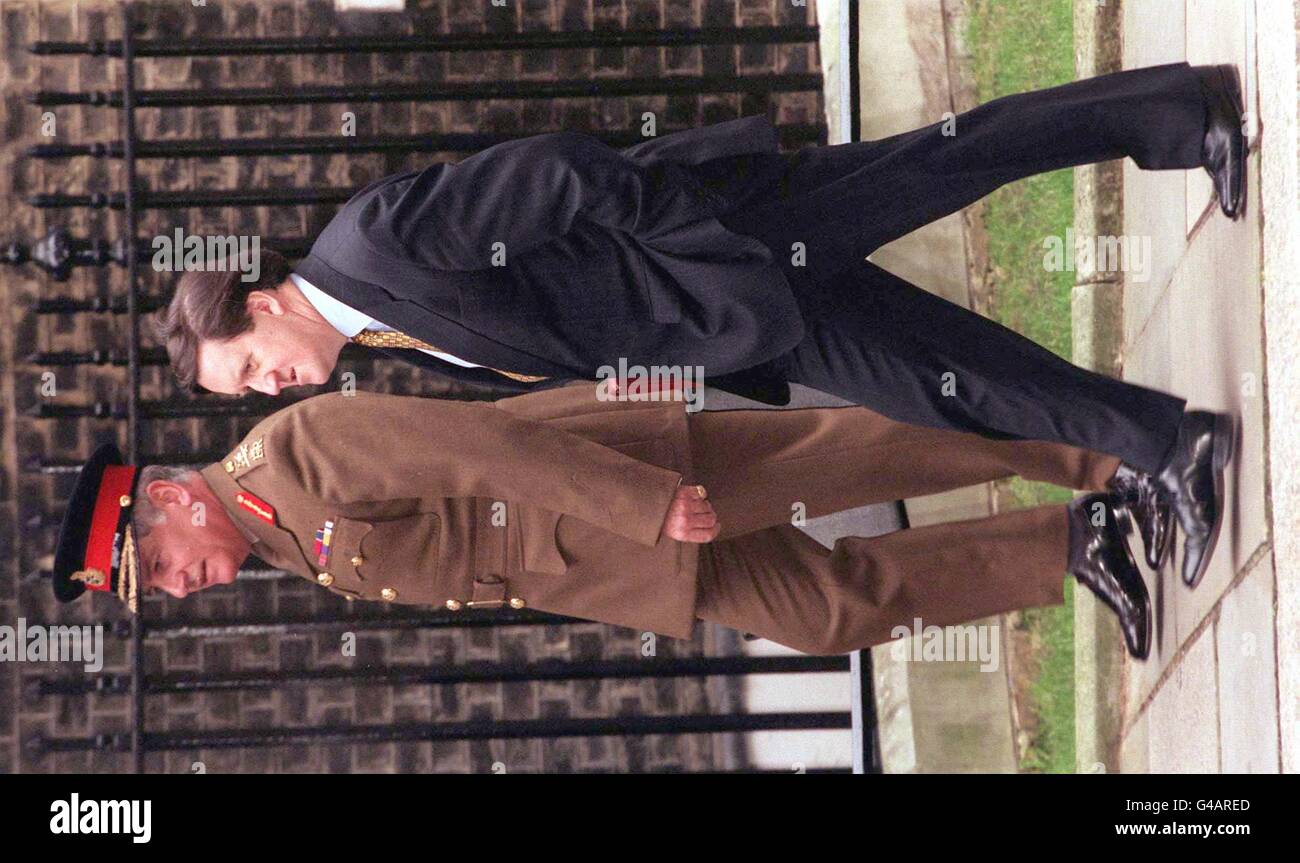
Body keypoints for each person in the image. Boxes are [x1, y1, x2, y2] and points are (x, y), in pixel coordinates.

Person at [155, 62, 1243, 589]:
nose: (266, 387)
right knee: (937, 373)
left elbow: (563, 175)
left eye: (247, 366)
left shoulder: (373, 244)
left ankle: (1184, 114)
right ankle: (1166, 440)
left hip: (737, 238)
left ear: (260, 305)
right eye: (244, 393)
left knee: (945, 163)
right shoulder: (381, 336)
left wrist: (695, 244)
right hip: (732, 310)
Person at [49, 385, 1236, 660]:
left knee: (870, 448)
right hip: (613, 562)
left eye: (157, 560)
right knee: (827, 613)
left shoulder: (290, 456)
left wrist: (642, 499)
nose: (182, 578)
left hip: (627, 486)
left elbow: (480, 446)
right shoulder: (267, 529)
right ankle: (1075, 540)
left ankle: (1120, 450)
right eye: (158, 586)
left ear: (163, 497)